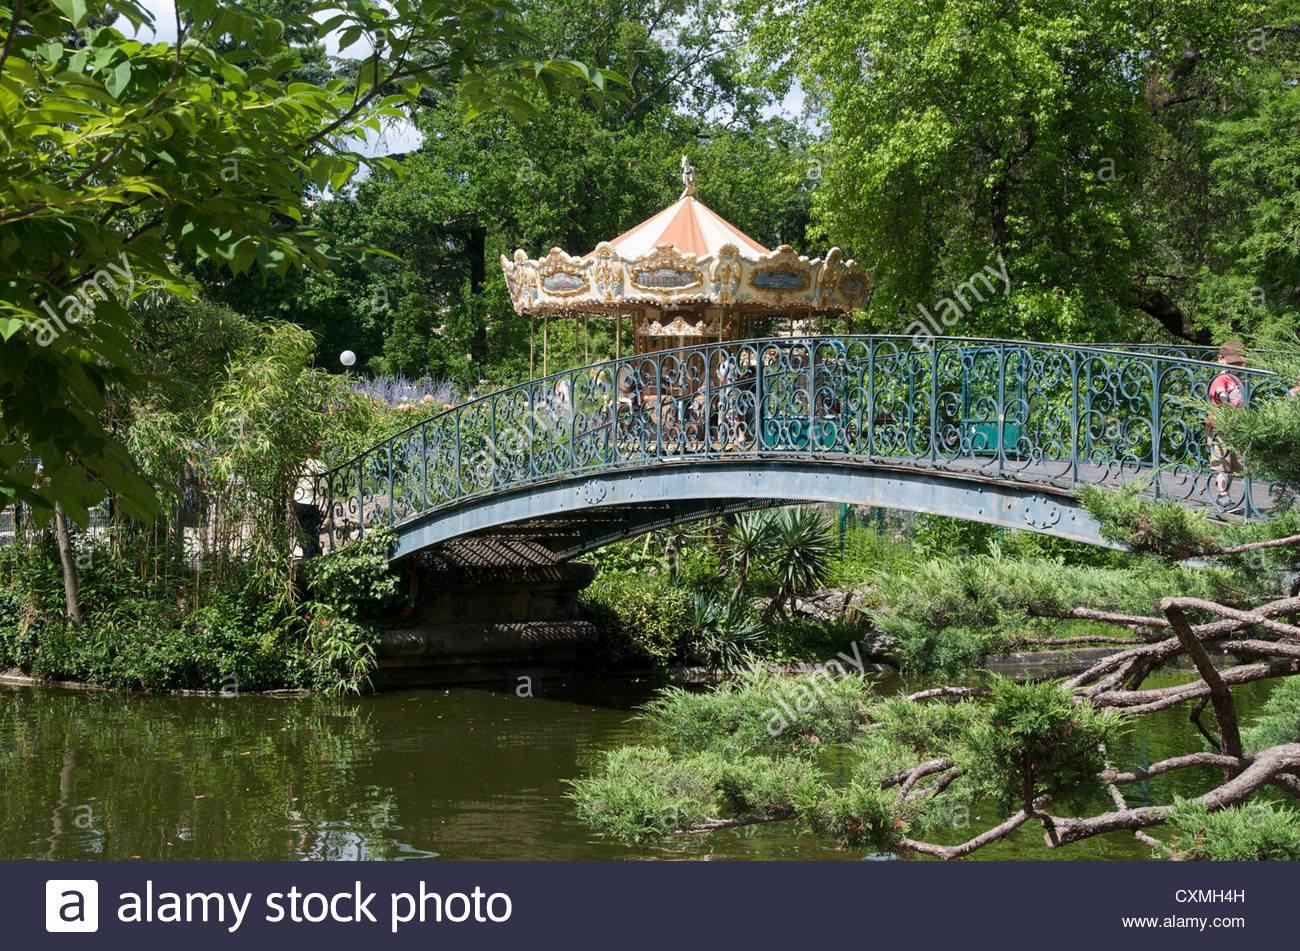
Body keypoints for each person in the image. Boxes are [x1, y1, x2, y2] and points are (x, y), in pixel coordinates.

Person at [1206, 340, 1247, 511]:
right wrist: (1223, 396)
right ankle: (1222, 496)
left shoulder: (1241, 380)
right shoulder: (1221, 377)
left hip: (1235, 427)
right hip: (1219, 427)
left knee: (1233, 464)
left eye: (1239, 363)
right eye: (1233, 363)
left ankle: (1226, 494)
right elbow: (1218, 391)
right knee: (1222, 460)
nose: (1236, 366)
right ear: (1221, 359)